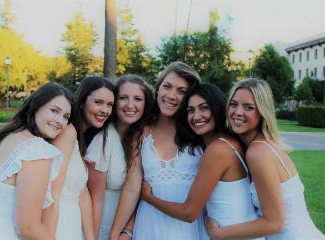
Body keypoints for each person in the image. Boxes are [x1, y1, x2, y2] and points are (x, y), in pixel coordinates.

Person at [205, 78, 324, 239]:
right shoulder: (266, 144)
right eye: (233, 104)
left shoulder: (258, 153)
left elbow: (275, 223)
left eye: (248, 107)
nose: (238, 112)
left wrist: (218, 233)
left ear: (262, 112)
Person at [141, 83, 263, 240]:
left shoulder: (218, 149)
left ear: (217, 108)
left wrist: (149, 197)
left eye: (204, 108)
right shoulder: (230, 142)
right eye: (191, 110)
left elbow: (189, 213)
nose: (196, 116)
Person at [110, 62, 207, 240]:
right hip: (150, 226)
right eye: (167, 86)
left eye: (181, 91)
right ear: (158, 88)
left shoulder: (199, 133)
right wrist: (115, 233)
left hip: (190, 229)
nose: (171, 95)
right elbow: (132, 188)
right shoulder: (141, 133)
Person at [0, 82, 73, 239]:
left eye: (66, 117)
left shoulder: (9, 135)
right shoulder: (37, 151)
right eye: (54, 110)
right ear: (36, 106)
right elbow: (28, 228)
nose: (60, 121)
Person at [85, 74, 154, 240]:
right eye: (123, 98)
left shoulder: (145, 138)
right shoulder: (102, 140)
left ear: (146, 103)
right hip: (102, 226)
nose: (130, 105)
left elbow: (139, 192)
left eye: (138, 98)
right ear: (115, 102)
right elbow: (95, 200)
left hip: (133, 228)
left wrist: (128, 230)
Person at [54, 76, 115, 240]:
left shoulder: (87, 139)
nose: (105, 110)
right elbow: (52, 191)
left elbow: (82, 194)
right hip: (57, 224)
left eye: (110, 105)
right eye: (98, 102)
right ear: (81, 102)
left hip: (72, 224)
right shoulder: (67, 132)